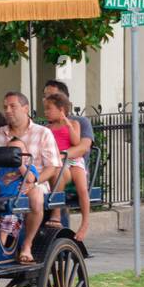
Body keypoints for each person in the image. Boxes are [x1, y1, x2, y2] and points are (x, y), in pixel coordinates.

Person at [0, 91, 60, 264]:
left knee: (35, 197)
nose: (8, 110)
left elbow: (53, 167)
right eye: (5, 107)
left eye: (13, 106)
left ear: (25, 108)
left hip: (34, 179)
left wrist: (34, 181)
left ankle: (27, 244)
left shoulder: (43, 133)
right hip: (3, 180)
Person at [43, 79, 95, 235]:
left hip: (72, 163)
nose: (46, 100)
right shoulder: (47, 127)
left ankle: (84, 222)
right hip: (56, 163)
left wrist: (60, 155)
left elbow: (81, 145)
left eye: (51, 96)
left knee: (82, 189)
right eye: (45, 96)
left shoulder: (78, 122)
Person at [0, 137, 37, 251]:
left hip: (16, 206)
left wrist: (20, 164)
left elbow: (30, 179)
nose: (15, 155)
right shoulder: (2, 170)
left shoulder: (29, 168)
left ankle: (1, 251)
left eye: (18, 152)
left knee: (7, 223)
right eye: (11, 152)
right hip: (0, 203)